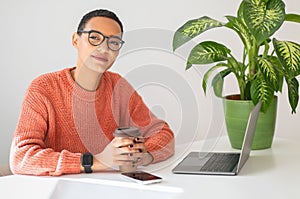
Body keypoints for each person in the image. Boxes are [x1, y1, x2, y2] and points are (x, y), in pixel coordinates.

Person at [9, 9, 174, 176]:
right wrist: (96, 161)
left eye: (114, 43)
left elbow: (163, 133)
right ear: (76, 40)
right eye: (95, 38)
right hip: (58, 189)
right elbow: (20, 157)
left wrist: (143, 156)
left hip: (109, 187)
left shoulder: (119, 87)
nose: (104, 49)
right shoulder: (43, 88)